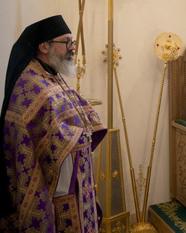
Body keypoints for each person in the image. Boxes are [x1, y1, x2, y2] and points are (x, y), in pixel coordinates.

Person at [0, 15, 107, 231]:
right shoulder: (30, 83)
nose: (72, 47)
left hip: (76, 179)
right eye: (66, 42)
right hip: (57, 187)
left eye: (73, 42)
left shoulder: (51, 73)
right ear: (44, 46)